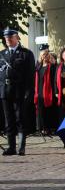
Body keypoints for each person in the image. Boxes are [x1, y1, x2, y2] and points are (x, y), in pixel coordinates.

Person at [0, 28, 35, 156]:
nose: (7, 40)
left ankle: (21, 147)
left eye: (10, 37)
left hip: (19, 91)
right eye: (6, 38)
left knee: (20, 118)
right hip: (5, 91)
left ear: (17, 38)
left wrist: (29, 92)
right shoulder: (2, 54)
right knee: (8, 120)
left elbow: (30, 76)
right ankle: (11, 147)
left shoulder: (26, 54)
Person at [34, 44, 57, 135]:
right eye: (43, 55)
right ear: (41, 56)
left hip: (48, 91)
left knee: (48, 110)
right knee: (40, 110)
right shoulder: (38, 66)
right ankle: (41, 128)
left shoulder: (52, 66)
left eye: (46, 54)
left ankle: (48, 128)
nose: (45, 56)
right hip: (39, 90)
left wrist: (54, 63)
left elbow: (55, 77)